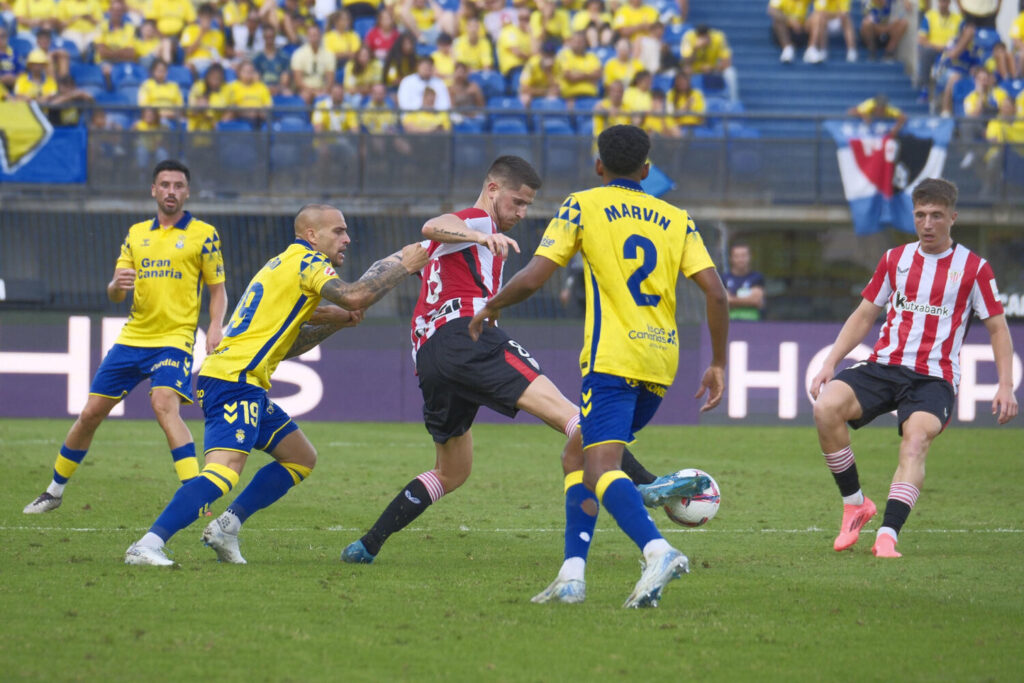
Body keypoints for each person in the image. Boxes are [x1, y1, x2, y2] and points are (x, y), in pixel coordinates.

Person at [340, 156, 698, 597]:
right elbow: (434, 225)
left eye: (528, 206)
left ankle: (367, 544)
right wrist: (477, 233)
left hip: (430, 358)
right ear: (492, 189)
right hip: (465, 336)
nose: (521, 213)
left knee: (452, 471)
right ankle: (645, 485)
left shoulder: (459, 245)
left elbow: (417, 251)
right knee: (574, 417)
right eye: (518, 202)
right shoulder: (472, 222)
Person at [467, 128, 730, 608]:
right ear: (647, 171)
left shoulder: (582, 204)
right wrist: (716, 362)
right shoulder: (678, 218)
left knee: (600, 464)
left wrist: (489, 307)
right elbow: (716, 292)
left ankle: (658, 550)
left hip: (612, 357)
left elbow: (535, 276)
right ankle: (572, 575)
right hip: (660, 359)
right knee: (576, 454)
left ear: (598, 166)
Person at [124, 205, 430, 565]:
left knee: (300, 458)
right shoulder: (308, 263)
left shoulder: (281, 265)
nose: (347, 238)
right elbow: (354, 295)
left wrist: (337, 322)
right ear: (312, 236)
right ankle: (147, 544)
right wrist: (404, 267)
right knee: (222, 474)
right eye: (338, 231)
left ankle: (227, 526)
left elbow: (291, 344)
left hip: (239, 379)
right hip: (234, 380)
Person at [809, 178, 1017, 559]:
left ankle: (888, 533)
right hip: (884, 366)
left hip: (934, 378)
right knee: (825, 408)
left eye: (937, 215)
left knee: (916, 440)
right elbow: (865, 314)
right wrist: (831, 361)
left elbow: (998, 328)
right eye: (921, 215)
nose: (928, 224)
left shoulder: (974, 268)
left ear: (953, 218)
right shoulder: (895, 259)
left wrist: (1005, 385)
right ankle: (856, 504)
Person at [24, 160, 228, 515]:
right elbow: (116, 293)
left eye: (178, 185)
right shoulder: (136, 235)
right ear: (153, 190)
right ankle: (53, 491)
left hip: (175, 337)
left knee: (164, 403)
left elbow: (218, 290)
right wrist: (114, 286)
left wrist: (215, 325)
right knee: (89, 413)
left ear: (187, 192)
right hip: (133, 337)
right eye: (164, 184)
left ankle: (196, 497)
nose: (171, 191)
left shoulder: (203, 234)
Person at [724, 242, 765, 321]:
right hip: (729, 322)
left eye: (743, 256)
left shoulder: (757, 277)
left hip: (753, 322)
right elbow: (725, 301)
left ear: (750, 257)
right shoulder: (724, 278)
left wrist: (732, 300)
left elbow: (756, 301)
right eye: (737, 256)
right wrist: (748, 300)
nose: (740, 260)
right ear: (731, 258)